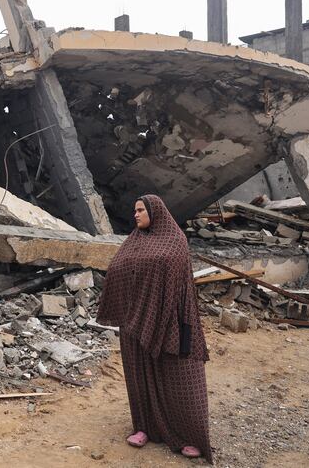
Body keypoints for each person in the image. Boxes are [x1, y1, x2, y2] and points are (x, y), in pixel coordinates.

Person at [97, 195, 212, 463]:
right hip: (135, 323)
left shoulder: (175, 241)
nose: (135, 215)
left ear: (155, 211)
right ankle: (144, 428)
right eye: (134, 210)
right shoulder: (133, 241)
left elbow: (179, 283)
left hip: (170, 321)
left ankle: (189, 436)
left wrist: (161, 312)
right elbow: (116, 270)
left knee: (179, 378)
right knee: (139, 377)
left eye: (141, 210)